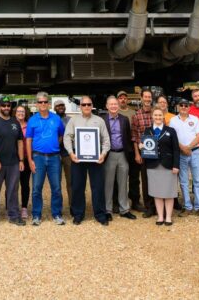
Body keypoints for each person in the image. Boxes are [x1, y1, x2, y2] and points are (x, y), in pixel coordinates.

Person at [63, 96, 110, 225]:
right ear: (80, 107)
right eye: (84, 105)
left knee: (98, 187)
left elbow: (106, 140)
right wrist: (71, 153)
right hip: (78, 159)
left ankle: (100, 214)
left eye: (89, 104)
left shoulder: (99, 121)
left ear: (92, 105)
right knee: (77, 186)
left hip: (96, 160)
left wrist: (103, 154)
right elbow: (67, 137)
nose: (86, 107)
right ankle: (78, 214)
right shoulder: (73, 121)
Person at [24, 91, 66, 226]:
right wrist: (30, 160)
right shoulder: (32, 120)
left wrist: (53, 145)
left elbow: (61, 135)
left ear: (48, 104)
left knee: (57, 188)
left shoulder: (56, 119)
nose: (43, 104)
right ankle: (36, 215)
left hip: (54, 158)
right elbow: (28, 140)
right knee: (36, 188)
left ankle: (57, 214)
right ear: (36, 104)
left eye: (45, 102)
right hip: (38, 157)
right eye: (40, 102)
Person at [0, 99, 25, 226]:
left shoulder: (15, 123)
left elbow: (19, 142)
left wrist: (21, 160)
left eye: (9, 105)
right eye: (4, 105)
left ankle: (13, 215)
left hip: (13, 163)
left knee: (13, 190)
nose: (6, 107)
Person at [142, 107, 179, 225]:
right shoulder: (147, 131)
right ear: (152, 117)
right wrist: (141, 146)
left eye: (160, 115)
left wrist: (176, 165)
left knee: (169, 192)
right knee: (157, 192)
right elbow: (145, 146)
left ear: (163, 116)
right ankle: (160, 217)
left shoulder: (171, 130)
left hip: (168, 165)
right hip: (153, 166)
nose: (158, 117)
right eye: (155, 115)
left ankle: (168, 217)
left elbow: (176, 150)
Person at [102, 96, 138, 221]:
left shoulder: (124, 120)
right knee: (108, 184)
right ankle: (107, 210)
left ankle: (124, 209)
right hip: (109, 154)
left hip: (122, 154)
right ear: (107, 106)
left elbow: (128, 136)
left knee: (123, 183)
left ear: (118, 106)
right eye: (111, 104)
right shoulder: (103, 120)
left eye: (115, 104)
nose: (113, 106)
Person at [169, 98, 199, 216]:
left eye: (186, 105)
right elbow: (172, 138)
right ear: (178, 107)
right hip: (180, 153)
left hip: (194, 152)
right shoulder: (173, 120)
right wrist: (183, 148)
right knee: (183, 181)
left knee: (197, 180)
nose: (184, 107)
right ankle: (187, 206)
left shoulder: (195, 119)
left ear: (189, 107)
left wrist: (188, 147)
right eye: (181, 105)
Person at [116, 90, 143, 212]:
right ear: (117, 100)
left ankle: (135, 201)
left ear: (127, 100)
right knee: (118, 177)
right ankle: (117, 201)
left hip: (132, 149)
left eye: (124, 98)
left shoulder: (134, 113)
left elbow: (136, 131)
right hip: (120, 149)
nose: (122, 100)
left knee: (134, 177)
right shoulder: (115, 112)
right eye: (120, 98)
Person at [131, 89, 155, 217]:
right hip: (144, 152)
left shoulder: (156, 113)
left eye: (149, 97)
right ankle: (149, 206)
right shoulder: (136, 116)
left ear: (151, 98)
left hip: (157, 152)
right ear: (141, 98)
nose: (147, 99)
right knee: (145, 180)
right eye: (145, 97)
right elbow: (134, 136)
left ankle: (158, 204)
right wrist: (137, 154)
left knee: (157, 178)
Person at [54, 99, 73, 214]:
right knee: (56, 183)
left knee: (71, 181)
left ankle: (72, 206)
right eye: (58, 106)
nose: (60, 107)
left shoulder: (70, 120)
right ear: (54, 108)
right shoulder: (52, 119)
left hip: (67, 154)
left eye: (62, 105)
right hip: (55, 154)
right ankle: (58, 208)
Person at [14, 104, 32, 220]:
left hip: (26, 158)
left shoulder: (29, 126)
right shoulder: (11, 125)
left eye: (23, 111)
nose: (21, 113)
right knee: (12, 184)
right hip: (13, 159)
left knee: (25, 184)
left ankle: (24, 207)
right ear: (15, 113)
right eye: (19, 111)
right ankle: (12, 207)